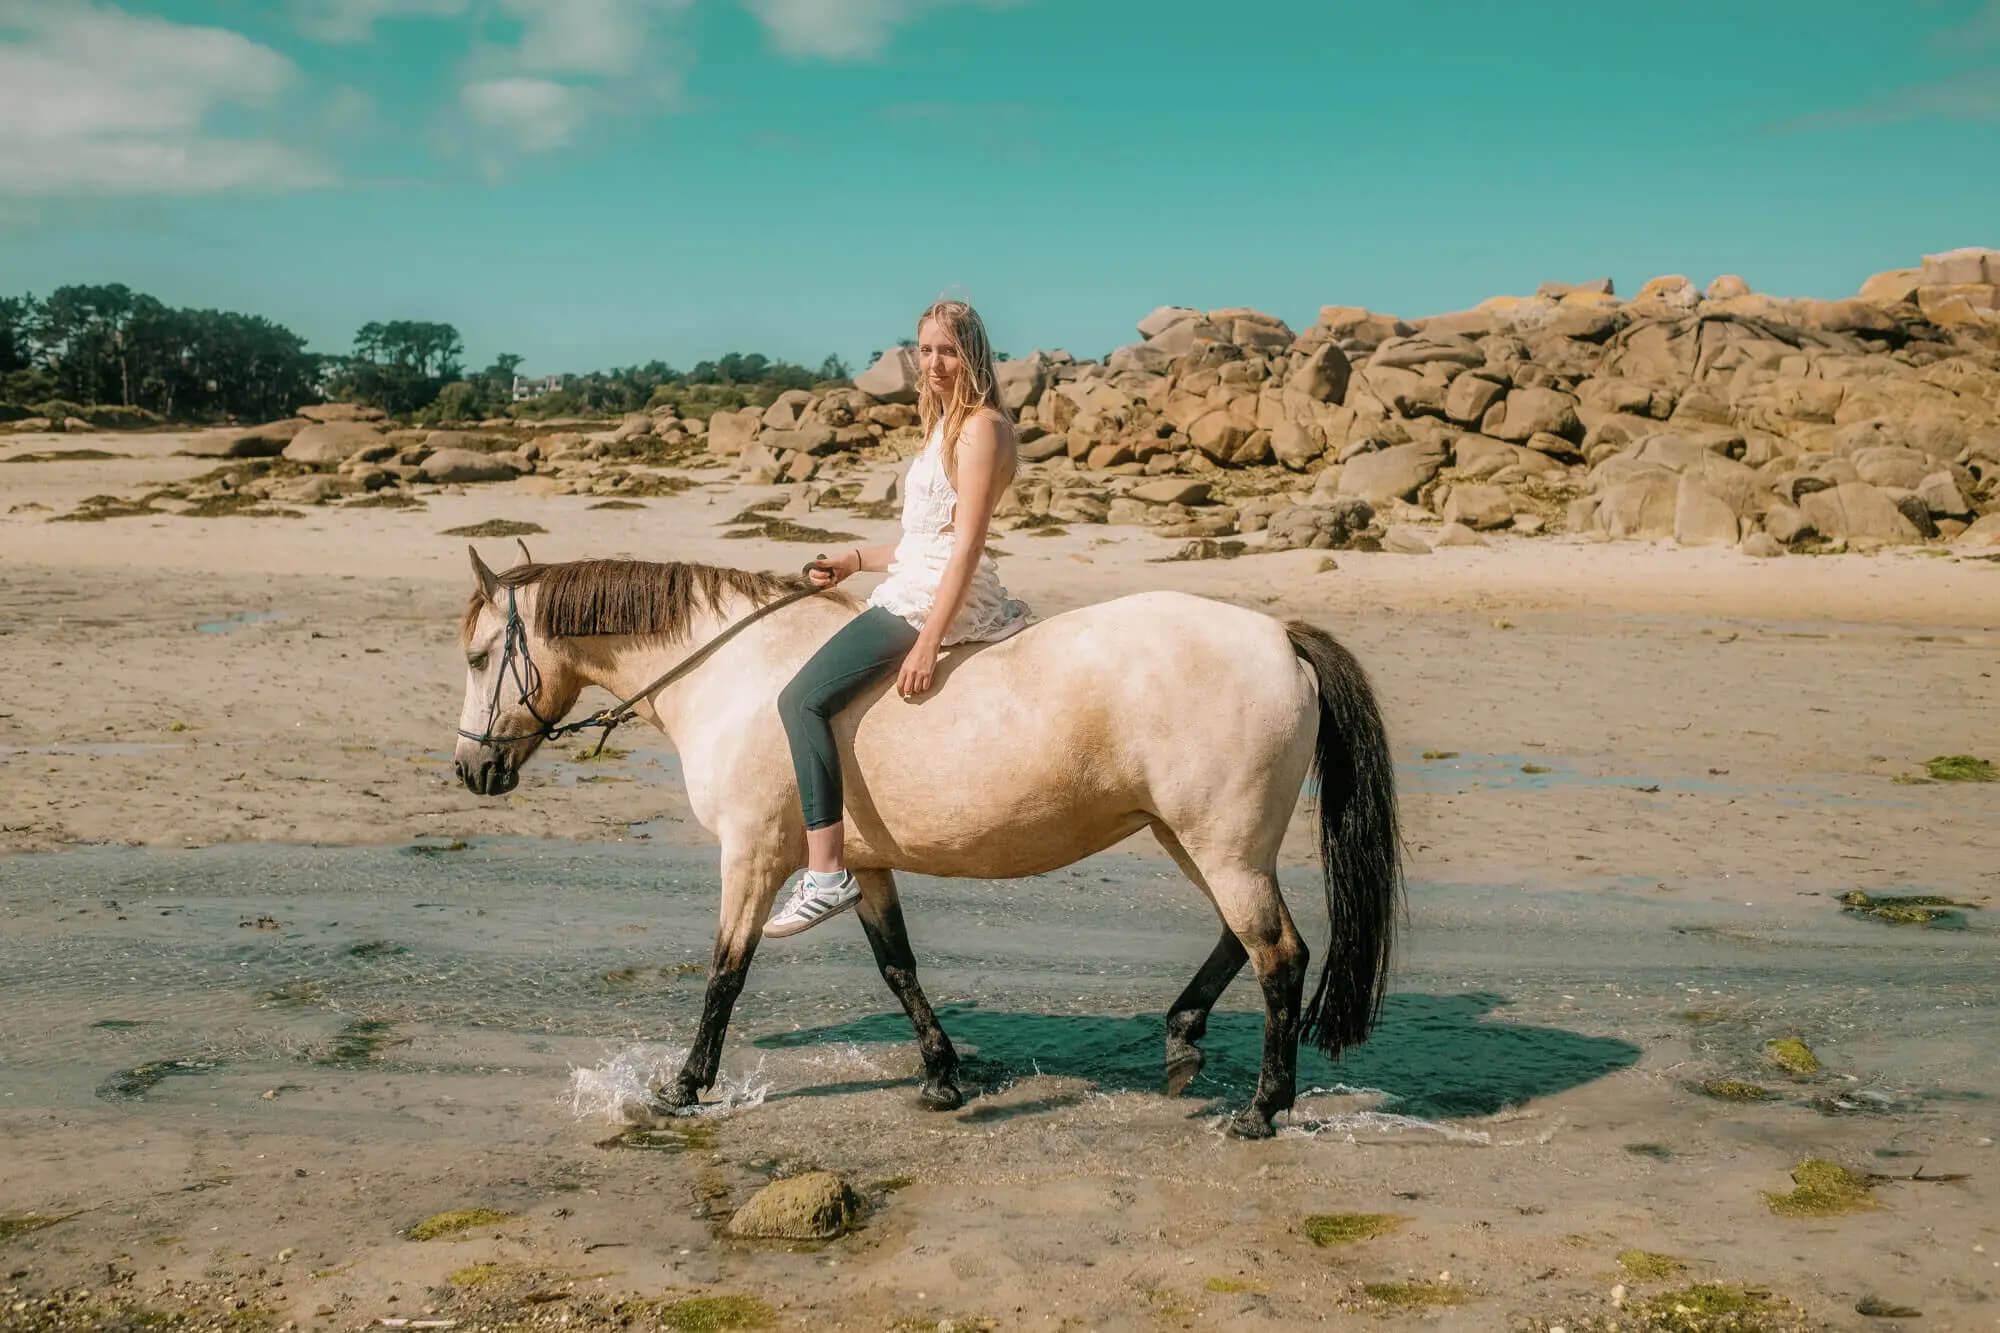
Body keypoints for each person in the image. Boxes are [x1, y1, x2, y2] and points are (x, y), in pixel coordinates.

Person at [764, 299, 1031, 937]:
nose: (935, 364)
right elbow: (925, 538)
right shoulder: (947, 426)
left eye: (948, 351)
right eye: (926, 350)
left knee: (800, 700)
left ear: (973, 356)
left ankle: (826, 874)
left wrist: (927, 640)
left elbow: (966, 544)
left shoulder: (978, 428)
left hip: (937, 595)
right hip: (919, 577)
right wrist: (857, 558)